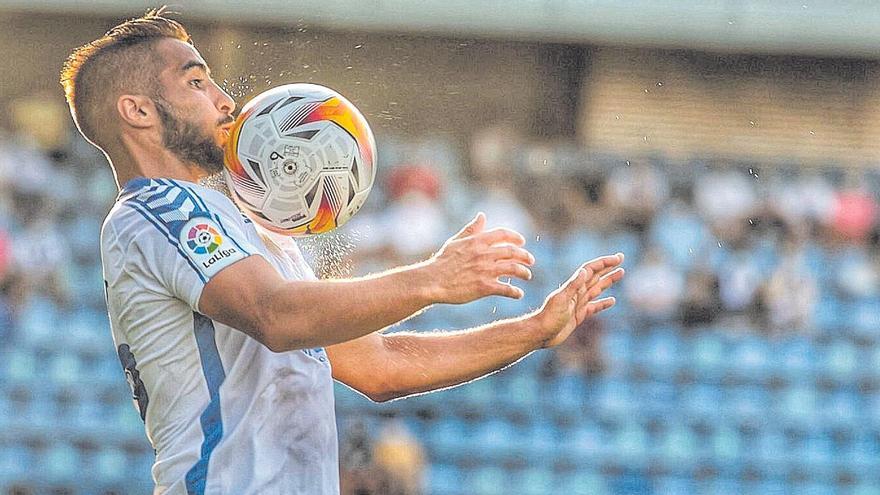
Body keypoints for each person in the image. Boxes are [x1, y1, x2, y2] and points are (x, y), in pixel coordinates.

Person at [59, 8, 625, 494]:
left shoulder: (247, 229)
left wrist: (534, 330)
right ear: (138, 111)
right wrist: (433, 278)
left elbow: (381, 367)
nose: (225, 100)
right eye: (195, 83)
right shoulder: (158, 209)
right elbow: (276, 315)